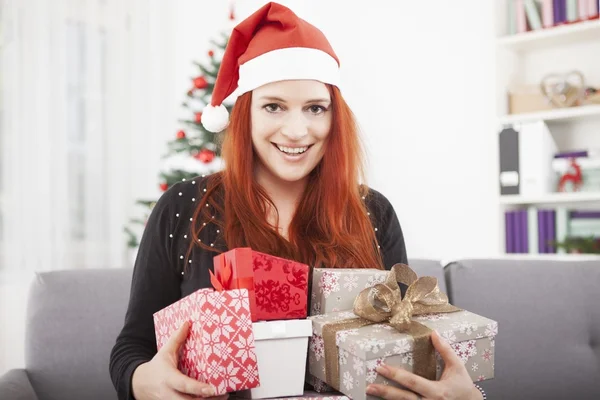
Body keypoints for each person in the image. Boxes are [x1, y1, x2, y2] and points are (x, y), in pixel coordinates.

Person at [109, 2, 484, 400]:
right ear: (244, 114)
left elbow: (405, 340)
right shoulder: (184, 206)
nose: (296, 130)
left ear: (333, 117)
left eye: (315, 108)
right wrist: (140, 381)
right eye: (274, 106)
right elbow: (132, 348)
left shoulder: (373, 212)